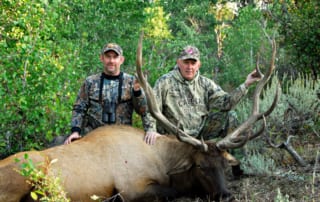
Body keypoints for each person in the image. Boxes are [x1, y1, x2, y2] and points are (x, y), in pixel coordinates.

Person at [144, 45, 261, 177]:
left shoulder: (205, 84)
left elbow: (226, 103)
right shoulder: (164, 82)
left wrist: (246, 85)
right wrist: (151, 129)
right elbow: (152, 108)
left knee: (230, 116)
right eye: (186, 62)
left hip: (199, 134)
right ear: (178, 62)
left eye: (193, 63)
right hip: (174, 136)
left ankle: (239, 168)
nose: (189, 67)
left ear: (199, 64)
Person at [50, 42, 150, 146]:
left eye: (115, 57)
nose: (111, 61)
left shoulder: (132, 82)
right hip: (93, 135)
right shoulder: (90, 82)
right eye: (108, 57)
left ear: (121, 60)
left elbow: (143, 110)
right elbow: (79, 108)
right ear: (101, 58)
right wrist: (76, 131)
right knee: (58, 143)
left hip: (122, 137)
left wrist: (137, 92)